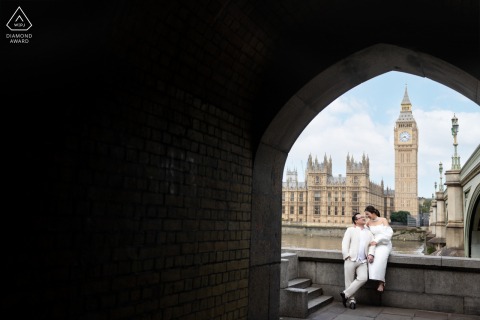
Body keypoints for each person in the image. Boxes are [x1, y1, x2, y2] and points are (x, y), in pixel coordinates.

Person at [340, 212, 375, 309]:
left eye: (364, 217)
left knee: (363, 278)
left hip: (363, 261)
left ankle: (345, 294)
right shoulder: (350, 230)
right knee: (349, 281)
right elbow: (345, 243)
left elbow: (372, 244)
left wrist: (371, 254)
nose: (364, 218)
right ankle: (352, 300)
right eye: (361, 217)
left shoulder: (368, 232)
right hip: (351, 258)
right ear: (356, 221)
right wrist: (346, 255)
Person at [365, 205, 393, 292]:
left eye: (367, 214)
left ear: (373, 213)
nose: (367, 216)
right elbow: (366, 233)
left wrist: (378, 240)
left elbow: (389, 233)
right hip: (374, 244)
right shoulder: (368, 223)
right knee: (371, 259)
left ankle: (381, 282)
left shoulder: (383, 220)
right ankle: (373, 277)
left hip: (384, 243)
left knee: (381, 259)